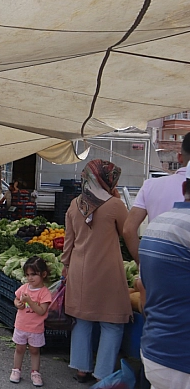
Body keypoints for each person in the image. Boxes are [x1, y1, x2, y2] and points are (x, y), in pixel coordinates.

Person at [60, 159, 131, 382]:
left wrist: (65, 267)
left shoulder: (74, 204)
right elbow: (126, 232)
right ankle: (102, 373)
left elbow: (68, 242)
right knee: (112, 323)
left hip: (80, 270)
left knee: (82, 320)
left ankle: (81, 369)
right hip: (107, 270)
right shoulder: (115, 205)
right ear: (107, 180)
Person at [138, 173, 190, 389]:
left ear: (185, 186)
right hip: (182, 357)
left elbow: (142, 286)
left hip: (156, 351)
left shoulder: (158, 223)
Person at [124, 134, 190, 261]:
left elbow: (128, 229)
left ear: (179, 157)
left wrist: (143, 263)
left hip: (155, 271)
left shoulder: (151, 185)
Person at [10, 256, 52, 387]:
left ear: (43, 274)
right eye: (27, 275)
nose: (30, 278)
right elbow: (16, 299)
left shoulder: (44, 293)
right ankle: (16, 370)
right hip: (21, 325)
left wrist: (29, 302)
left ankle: (35, 372)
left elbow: (41, 311)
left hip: (36, 328)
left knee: (34, 350)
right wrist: (18, 304)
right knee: (19, 348)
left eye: (34, 274)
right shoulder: (24, 288)